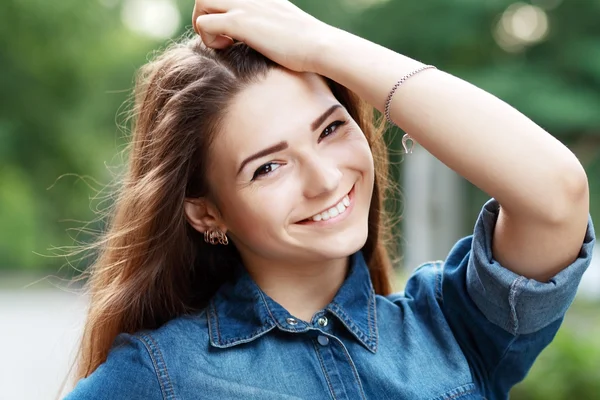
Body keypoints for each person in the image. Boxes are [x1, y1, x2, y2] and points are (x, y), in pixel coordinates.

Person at [63, 1, 595, 399]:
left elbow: (557, 194)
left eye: (330, 129)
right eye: (268, 166)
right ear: (207, 211)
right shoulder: (159, 375)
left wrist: (322, 45)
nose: (323, 179)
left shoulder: (451, 329)